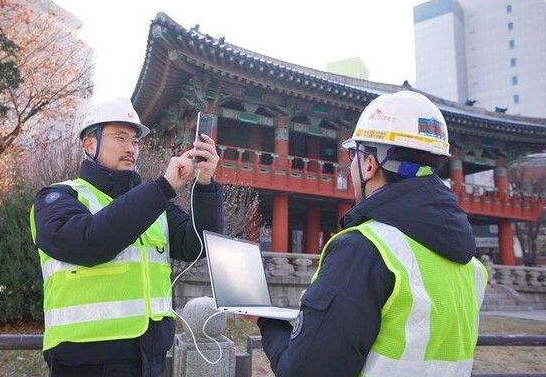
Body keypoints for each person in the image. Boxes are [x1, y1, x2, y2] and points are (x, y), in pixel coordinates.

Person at [257, 91, 488, 377]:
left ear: (369, 163)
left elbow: (303, 372)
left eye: (353, 155)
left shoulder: (364, 249)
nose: (350, 166)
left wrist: (267, 321)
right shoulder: (472, 267)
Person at [30, 97, 223, 377]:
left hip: (150, 357)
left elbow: (200, 245)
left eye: (135, 141)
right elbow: (91, 243)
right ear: (89, 144)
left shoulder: (154, 203)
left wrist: (205, 184)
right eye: (120, 137)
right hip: (84, 360)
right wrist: (163, 187)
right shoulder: (58, 197)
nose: (131, 148)